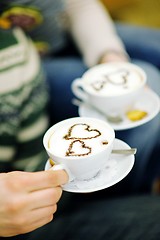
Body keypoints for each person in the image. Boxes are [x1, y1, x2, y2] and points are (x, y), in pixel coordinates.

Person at [0, 0, 160, 192]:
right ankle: (129, 192)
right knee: (150, 81)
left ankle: (151, 176)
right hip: (17, 65)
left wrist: (108, 56)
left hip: (64, 33)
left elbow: (80, 5)